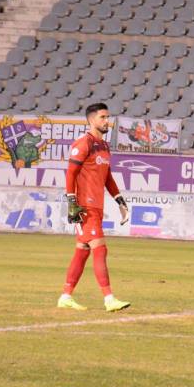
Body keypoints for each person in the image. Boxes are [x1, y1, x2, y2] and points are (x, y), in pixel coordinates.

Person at [58, 103, 131, 312]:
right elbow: (70, 174)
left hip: (97, 206)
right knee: (100, 248)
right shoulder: (83, 144)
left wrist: (120, 201)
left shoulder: (104, 147)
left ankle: (65, 296)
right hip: (84, 207)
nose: (107, 121)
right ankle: (109, 299)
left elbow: (107, 176)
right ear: (91, 120)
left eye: (108, 117)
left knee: (82, 251)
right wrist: (72, 202)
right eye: (102, 117)